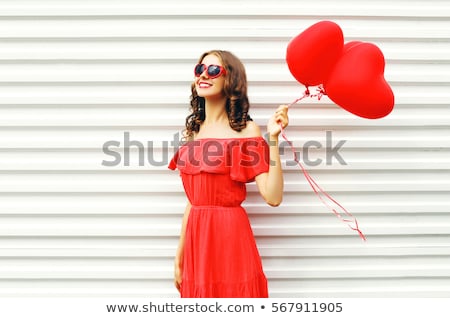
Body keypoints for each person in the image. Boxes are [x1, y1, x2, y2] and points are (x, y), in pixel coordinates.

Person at [168, 50, 289, 298]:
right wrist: (179, 255)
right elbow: (193, 201)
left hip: (231, 236)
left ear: (230, 80)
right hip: (197, 240)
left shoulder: (246, 130)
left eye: (214, 70)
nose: (204, 74)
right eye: (199, 69)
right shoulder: (192, 132)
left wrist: (273, 140)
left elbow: (273, 197)